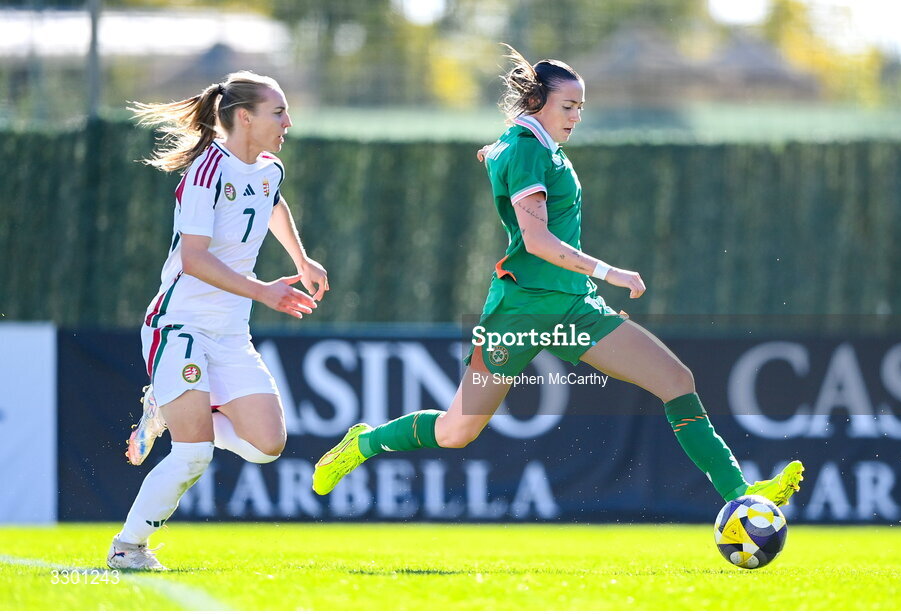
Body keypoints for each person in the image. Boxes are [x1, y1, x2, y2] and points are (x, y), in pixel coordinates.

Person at [311, 46, 802, 514]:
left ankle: (741, 494)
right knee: (456, 430)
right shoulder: (528, 149)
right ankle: (365, 442)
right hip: (521, 311)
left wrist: (496, 154)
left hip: (574, 306)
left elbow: (506, 162)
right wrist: (612, 272)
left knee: (676, 380)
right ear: (535, 101)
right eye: (568, 105)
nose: (576, 116)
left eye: (581, 107)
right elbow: (539, 243)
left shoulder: (535, 146)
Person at [107, 71, 329, 571]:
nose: (288, 122)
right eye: (279, 112)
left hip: (230, 333)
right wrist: (264, 292)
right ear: (244, 117)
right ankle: (128, 548)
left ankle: (173, 409)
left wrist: (301, 260)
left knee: (267, 445)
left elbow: (272, 203)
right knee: (194, 455)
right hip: (179, 325)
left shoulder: (269, 168)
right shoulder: (206, 173)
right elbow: (195, 260)